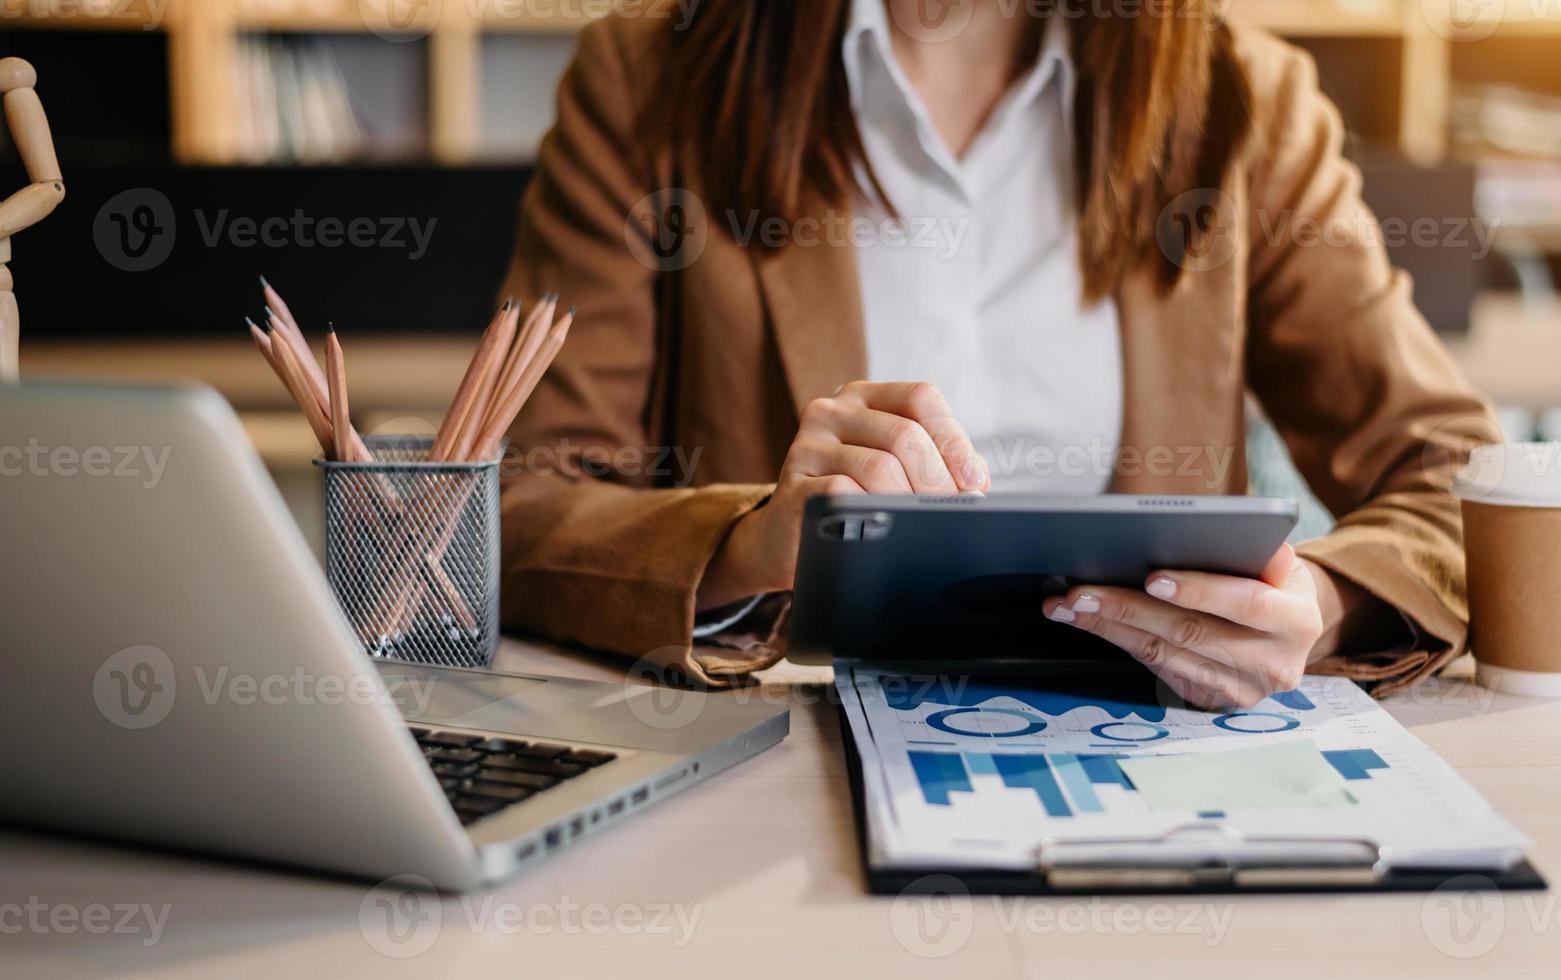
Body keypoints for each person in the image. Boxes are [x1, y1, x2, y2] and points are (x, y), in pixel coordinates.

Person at [495, 0, 1497, 708]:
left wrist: (1311, 607)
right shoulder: (651, 83)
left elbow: (1459, 477)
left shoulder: (1243, 99)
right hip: (779, 756)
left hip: (1159, 747)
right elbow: (522, 500)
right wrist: (749, 541)